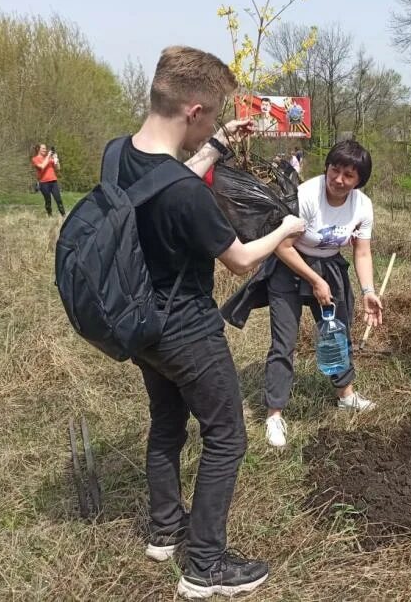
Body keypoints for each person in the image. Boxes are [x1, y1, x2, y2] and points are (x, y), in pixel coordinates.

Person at [122, 46, 305, 599]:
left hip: (142, 322)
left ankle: (164, 529)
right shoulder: (187, 196)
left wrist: (219, 145)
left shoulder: (120, 156)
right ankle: (205, 563)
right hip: (188, 331)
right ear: (194, 110)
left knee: (167, 423)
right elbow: (243, 260)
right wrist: (286, 228)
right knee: (226, 436)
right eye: (214, 114)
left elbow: (162, 184)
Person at [220, 140, 383, 448]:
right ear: (327, 168)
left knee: (336, 334)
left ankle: (346, 396)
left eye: (348, 175)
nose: (338, 179)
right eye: (335, 170)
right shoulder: (306, 195)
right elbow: (281, 246)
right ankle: (274, 414)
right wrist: (314, 280)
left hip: (330, 268)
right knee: (284, 343)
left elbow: (362, 253)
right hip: (289, 266)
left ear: (359, 179)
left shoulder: (362, 206)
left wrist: (367, 291)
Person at [31, 143, 65, 217]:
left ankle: (63, 215)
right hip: (44, 183)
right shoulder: (35, 159)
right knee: (48, 200)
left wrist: (56, 160)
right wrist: (49, 156)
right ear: (38, 149)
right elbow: (42, 166)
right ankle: (50, 215)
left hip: (53, 181)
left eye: (45, 148)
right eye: (43, 148)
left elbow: (58, 168)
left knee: (58, 199)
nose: (45, 150)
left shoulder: (49, 158)